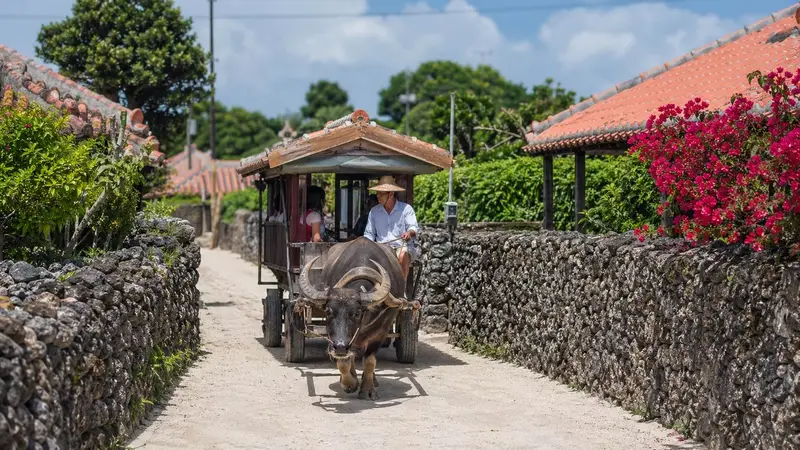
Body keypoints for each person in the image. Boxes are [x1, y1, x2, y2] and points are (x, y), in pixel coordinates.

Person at [363, 175, 419, 281]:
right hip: (382, 248)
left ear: (391, 194)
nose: (378, 196)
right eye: (377, 193)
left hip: (402, 247)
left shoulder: (406, 209)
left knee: (403, 255)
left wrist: (409, 233)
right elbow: (369, 234)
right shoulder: (374, 212)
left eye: (381, 193)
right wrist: (366, 244)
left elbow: (413, 227)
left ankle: (401, 289)